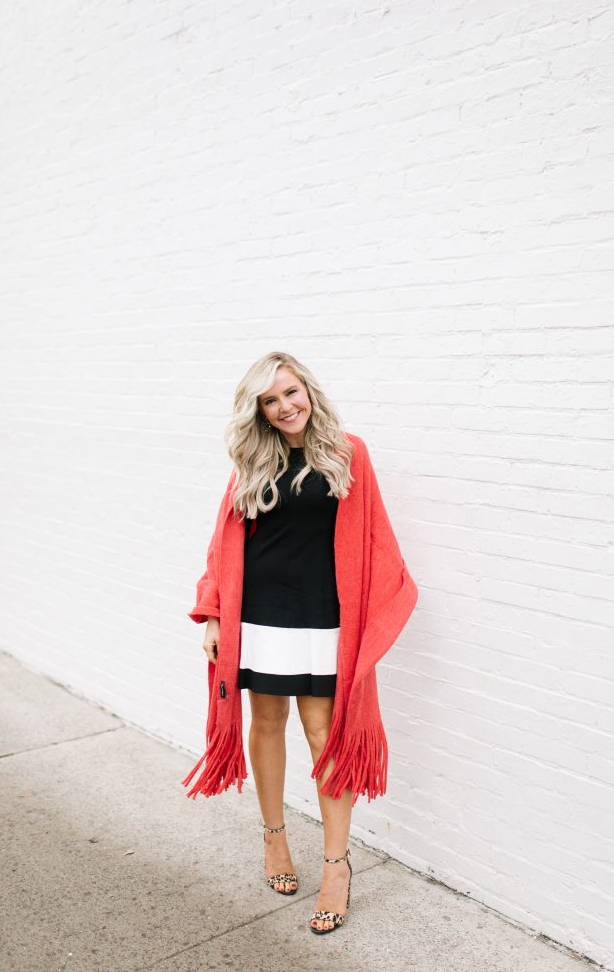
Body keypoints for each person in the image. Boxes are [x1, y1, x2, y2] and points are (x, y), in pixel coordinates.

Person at [184, 350, 418, 935]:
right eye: (270, 399)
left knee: (323, 733)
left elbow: (375, 538)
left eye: (291, 392)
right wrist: (215, 614)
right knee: (265, 725)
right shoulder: (251, 463)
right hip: (258, 615)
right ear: (259, 411)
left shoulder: (348, 452)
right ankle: (275, 842)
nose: (285, 406)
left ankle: (336, 866)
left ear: (308, 390)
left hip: (322, 618)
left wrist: (373, 615)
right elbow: (223, 541)